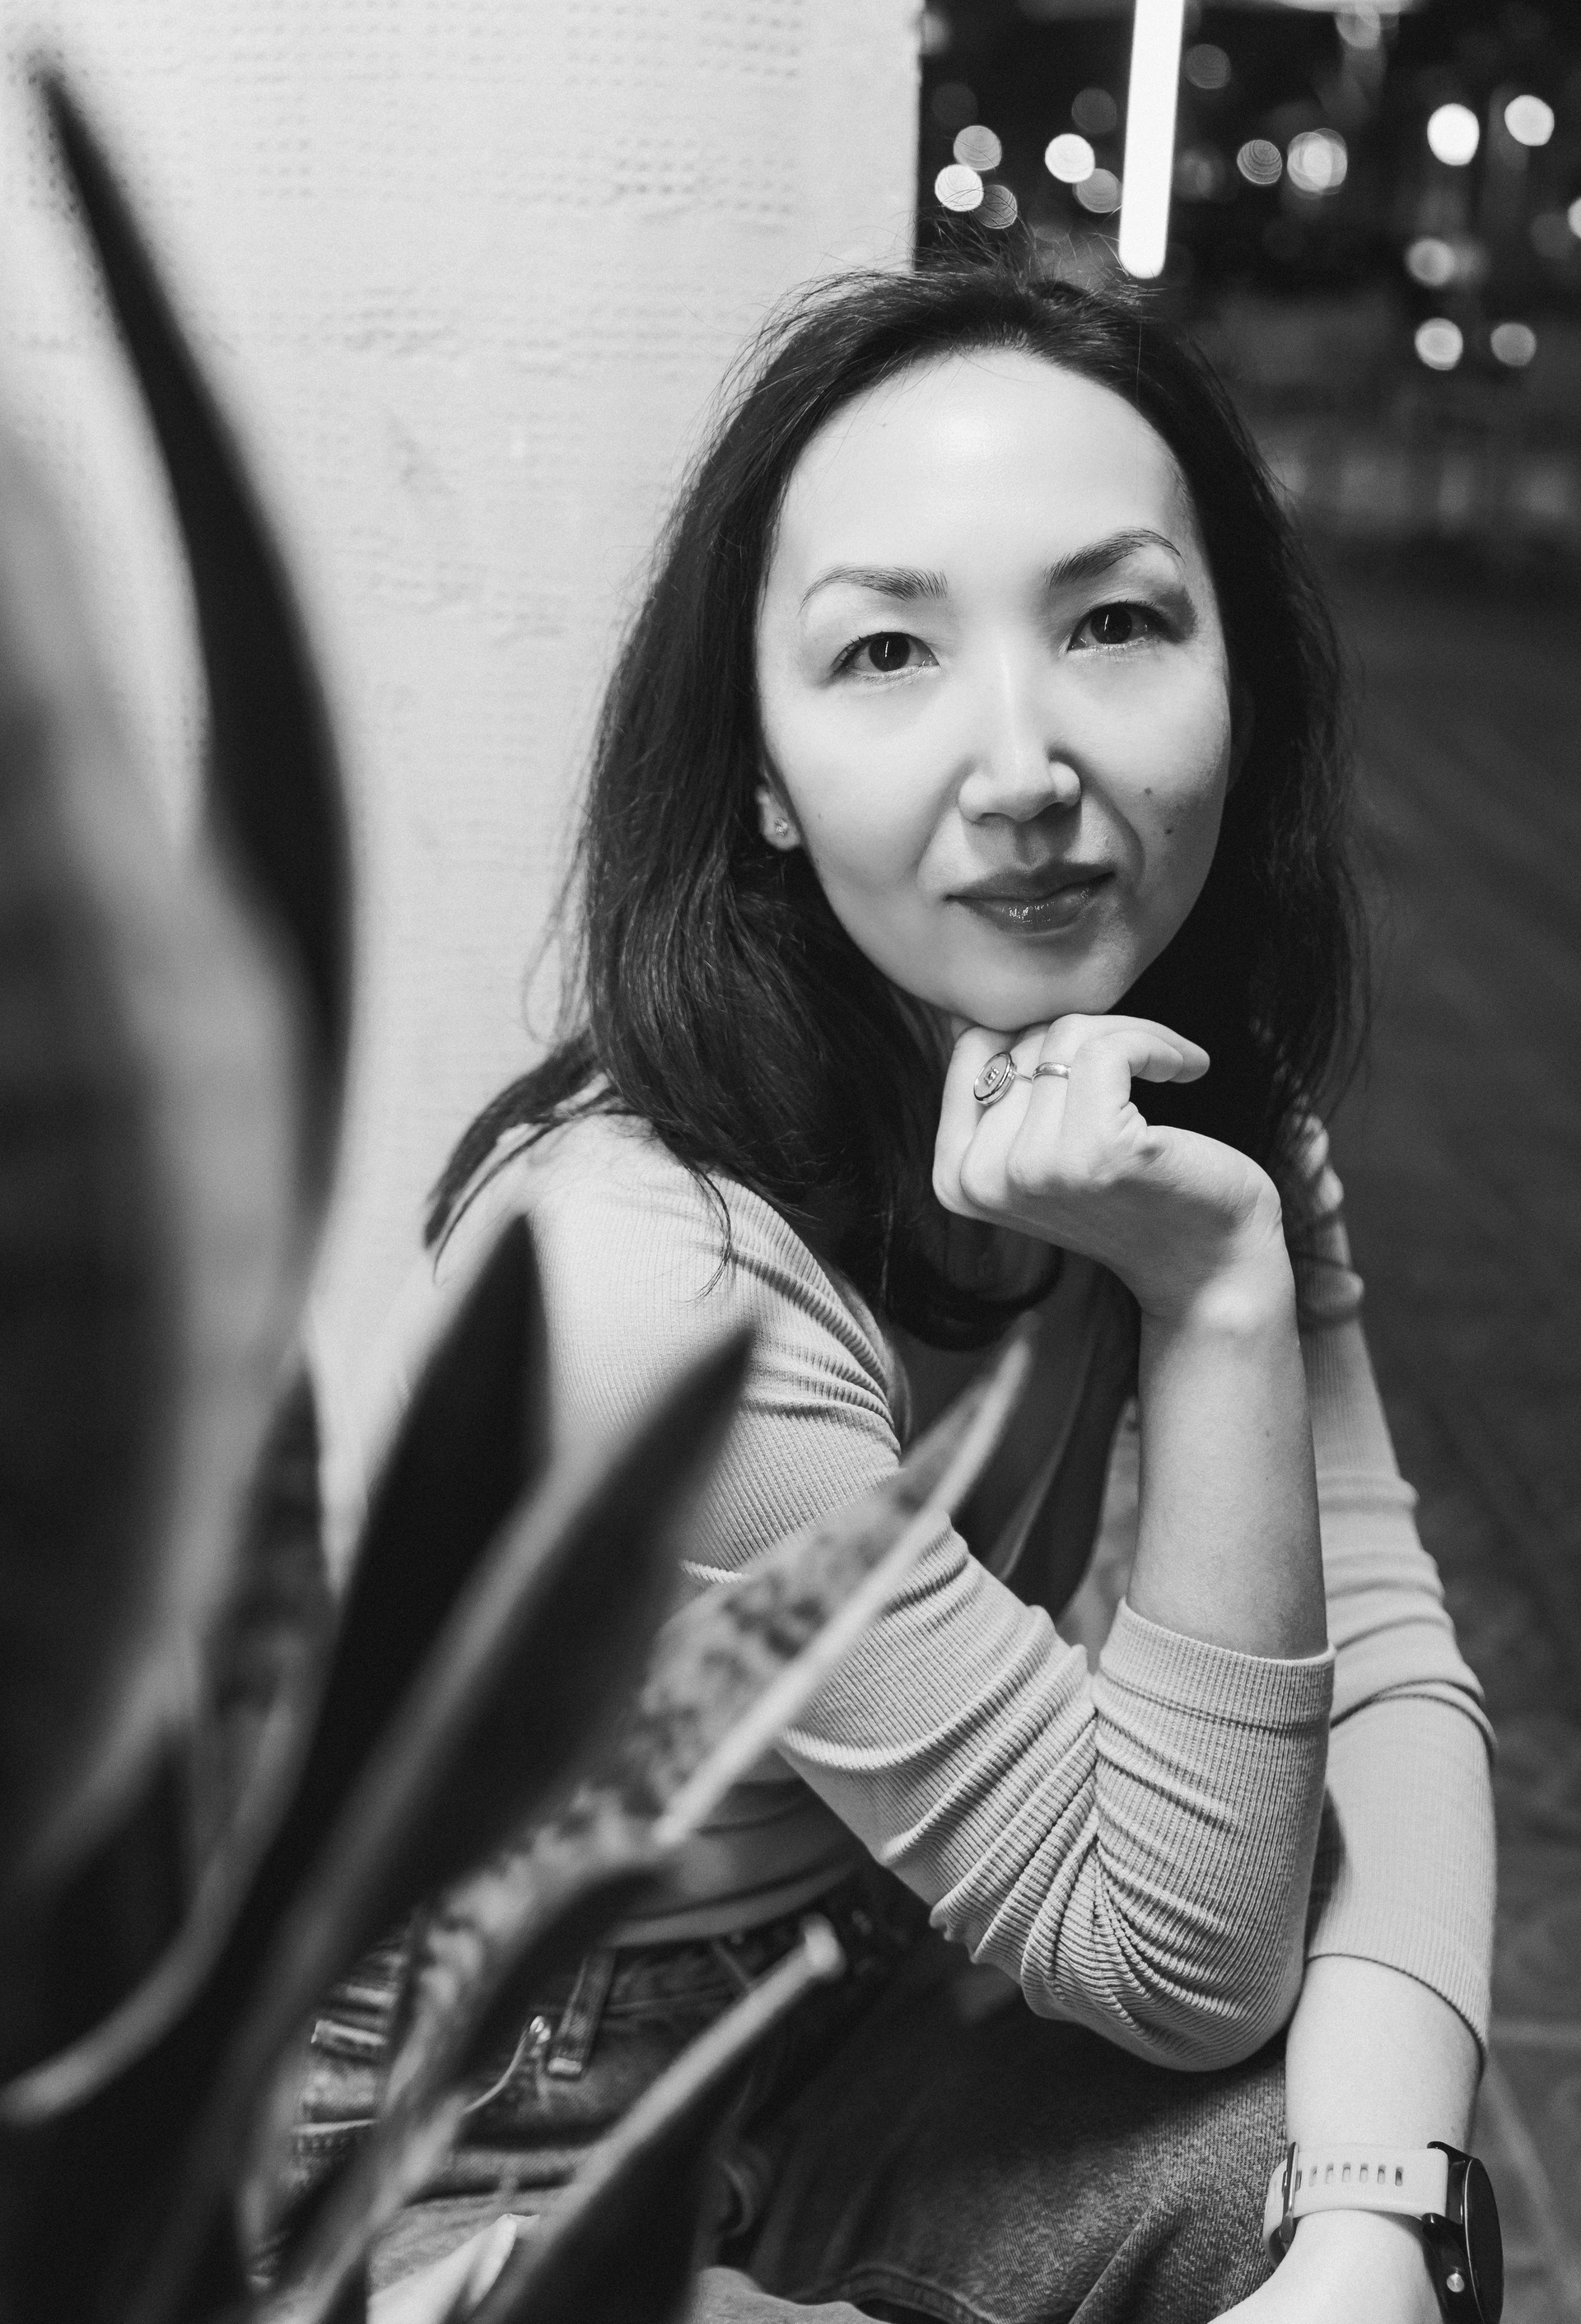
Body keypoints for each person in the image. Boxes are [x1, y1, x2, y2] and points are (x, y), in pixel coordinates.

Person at [306, 262, 1495, 2324]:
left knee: (1309, 2180)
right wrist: (1213, 1301)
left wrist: (1376, 2221)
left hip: (839, 2002)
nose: (1022, 761)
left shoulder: (1189, 1108)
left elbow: (1381, 1681)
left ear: (1243, 679)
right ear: (762, 773)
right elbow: (1179, 1955)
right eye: (886, 650)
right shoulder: (654, 1284)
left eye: (1114, 622)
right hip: (434, 2121)